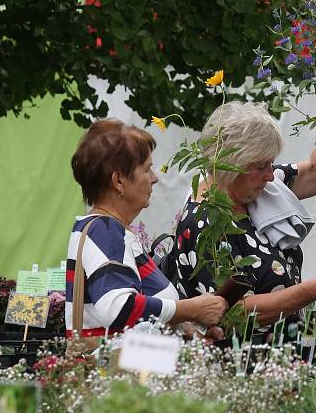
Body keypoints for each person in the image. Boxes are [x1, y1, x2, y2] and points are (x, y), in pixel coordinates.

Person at [167, 101, 316, 338]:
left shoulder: (265, 189)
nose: (270, 173)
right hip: (241, 363)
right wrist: (315, 290)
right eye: (261, 165)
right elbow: (234, 313)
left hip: (284, 355)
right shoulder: (204, 223)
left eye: (271, 163)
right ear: (231, 166)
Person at [67, 119, 227, 339]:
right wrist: (191, 309)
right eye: (147, 169)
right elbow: (119, 308)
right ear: (119, 180)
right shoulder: (104, 231)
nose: (154, 178)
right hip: (117, 371)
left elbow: (141, 318)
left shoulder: (108, 229)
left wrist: (189, 334)